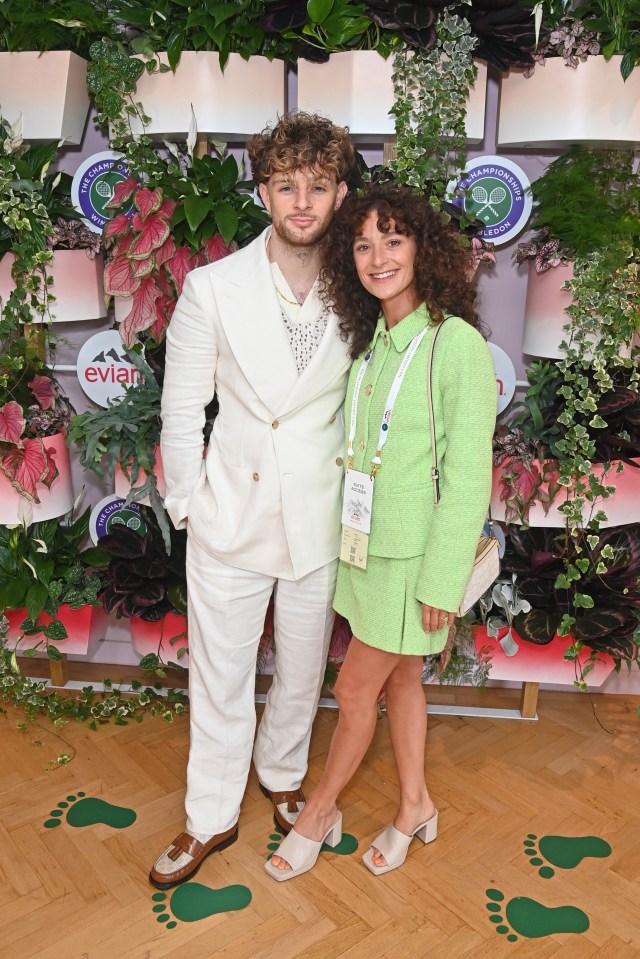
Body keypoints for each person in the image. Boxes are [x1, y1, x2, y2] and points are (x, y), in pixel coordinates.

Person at [266, 184, 497, 881]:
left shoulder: (456, 345)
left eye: (392, 239)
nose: (377, 256)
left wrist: (442, 580)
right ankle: (416, 804)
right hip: (367, 550)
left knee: (356, 689)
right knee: (403, 684)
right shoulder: (371, 347)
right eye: (363, 244)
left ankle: (320, 811)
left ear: (422, 248)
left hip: (414, 559)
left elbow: (466, 479)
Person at [150, 113, 356, 889]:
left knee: (302, 669)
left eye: (317, 186)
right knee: (222, 673)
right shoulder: (213, 286)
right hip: (228, 514)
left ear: (338, 192)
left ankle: (281, 776)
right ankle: (210, 814)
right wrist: (185, 505)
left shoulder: (361, 281)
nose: (301, 202)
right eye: (285, 185)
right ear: (263, 189)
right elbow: (181, 408)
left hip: (318, 515)